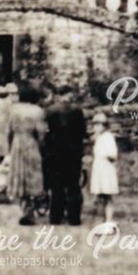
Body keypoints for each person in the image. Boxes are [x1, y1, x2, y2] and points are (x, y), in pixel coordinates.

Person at [44, 85, 87, 226]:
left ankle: (56, 216)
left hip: (55, 152)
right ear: (69, 94)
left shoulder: (50, 110)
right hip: (73, 152)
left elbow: (46, 133)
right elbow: (82, 132)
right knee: (73, 184)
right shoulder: (77, 110)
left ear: (58, 94)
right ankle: (74, 217)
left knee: (57, 185)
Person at [7, 85, 48, 225]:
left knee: (19, 176)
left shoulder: (13, 110)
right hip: (31, 143)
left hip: (17, 144)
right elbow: (41, 133)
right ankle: (29, 211)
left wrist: (10, 147)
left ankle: (24, 210)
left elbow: (9, 131)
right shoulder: (37, 111)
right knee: (32, 176)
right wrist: (41, 145)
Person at [88, 112, 118, 235]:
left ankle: (109, 223)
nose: (95, 128)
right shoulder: (99, 138)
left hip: (106, 170)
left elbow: (112, 155)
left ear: (103, 125)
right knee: (100, 197)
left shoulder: (108, 137)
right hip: (99, 169)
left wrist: (104, 156)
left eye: (97, 125)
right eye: (94, 125)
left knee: (107, 197)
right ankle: (102, 223)